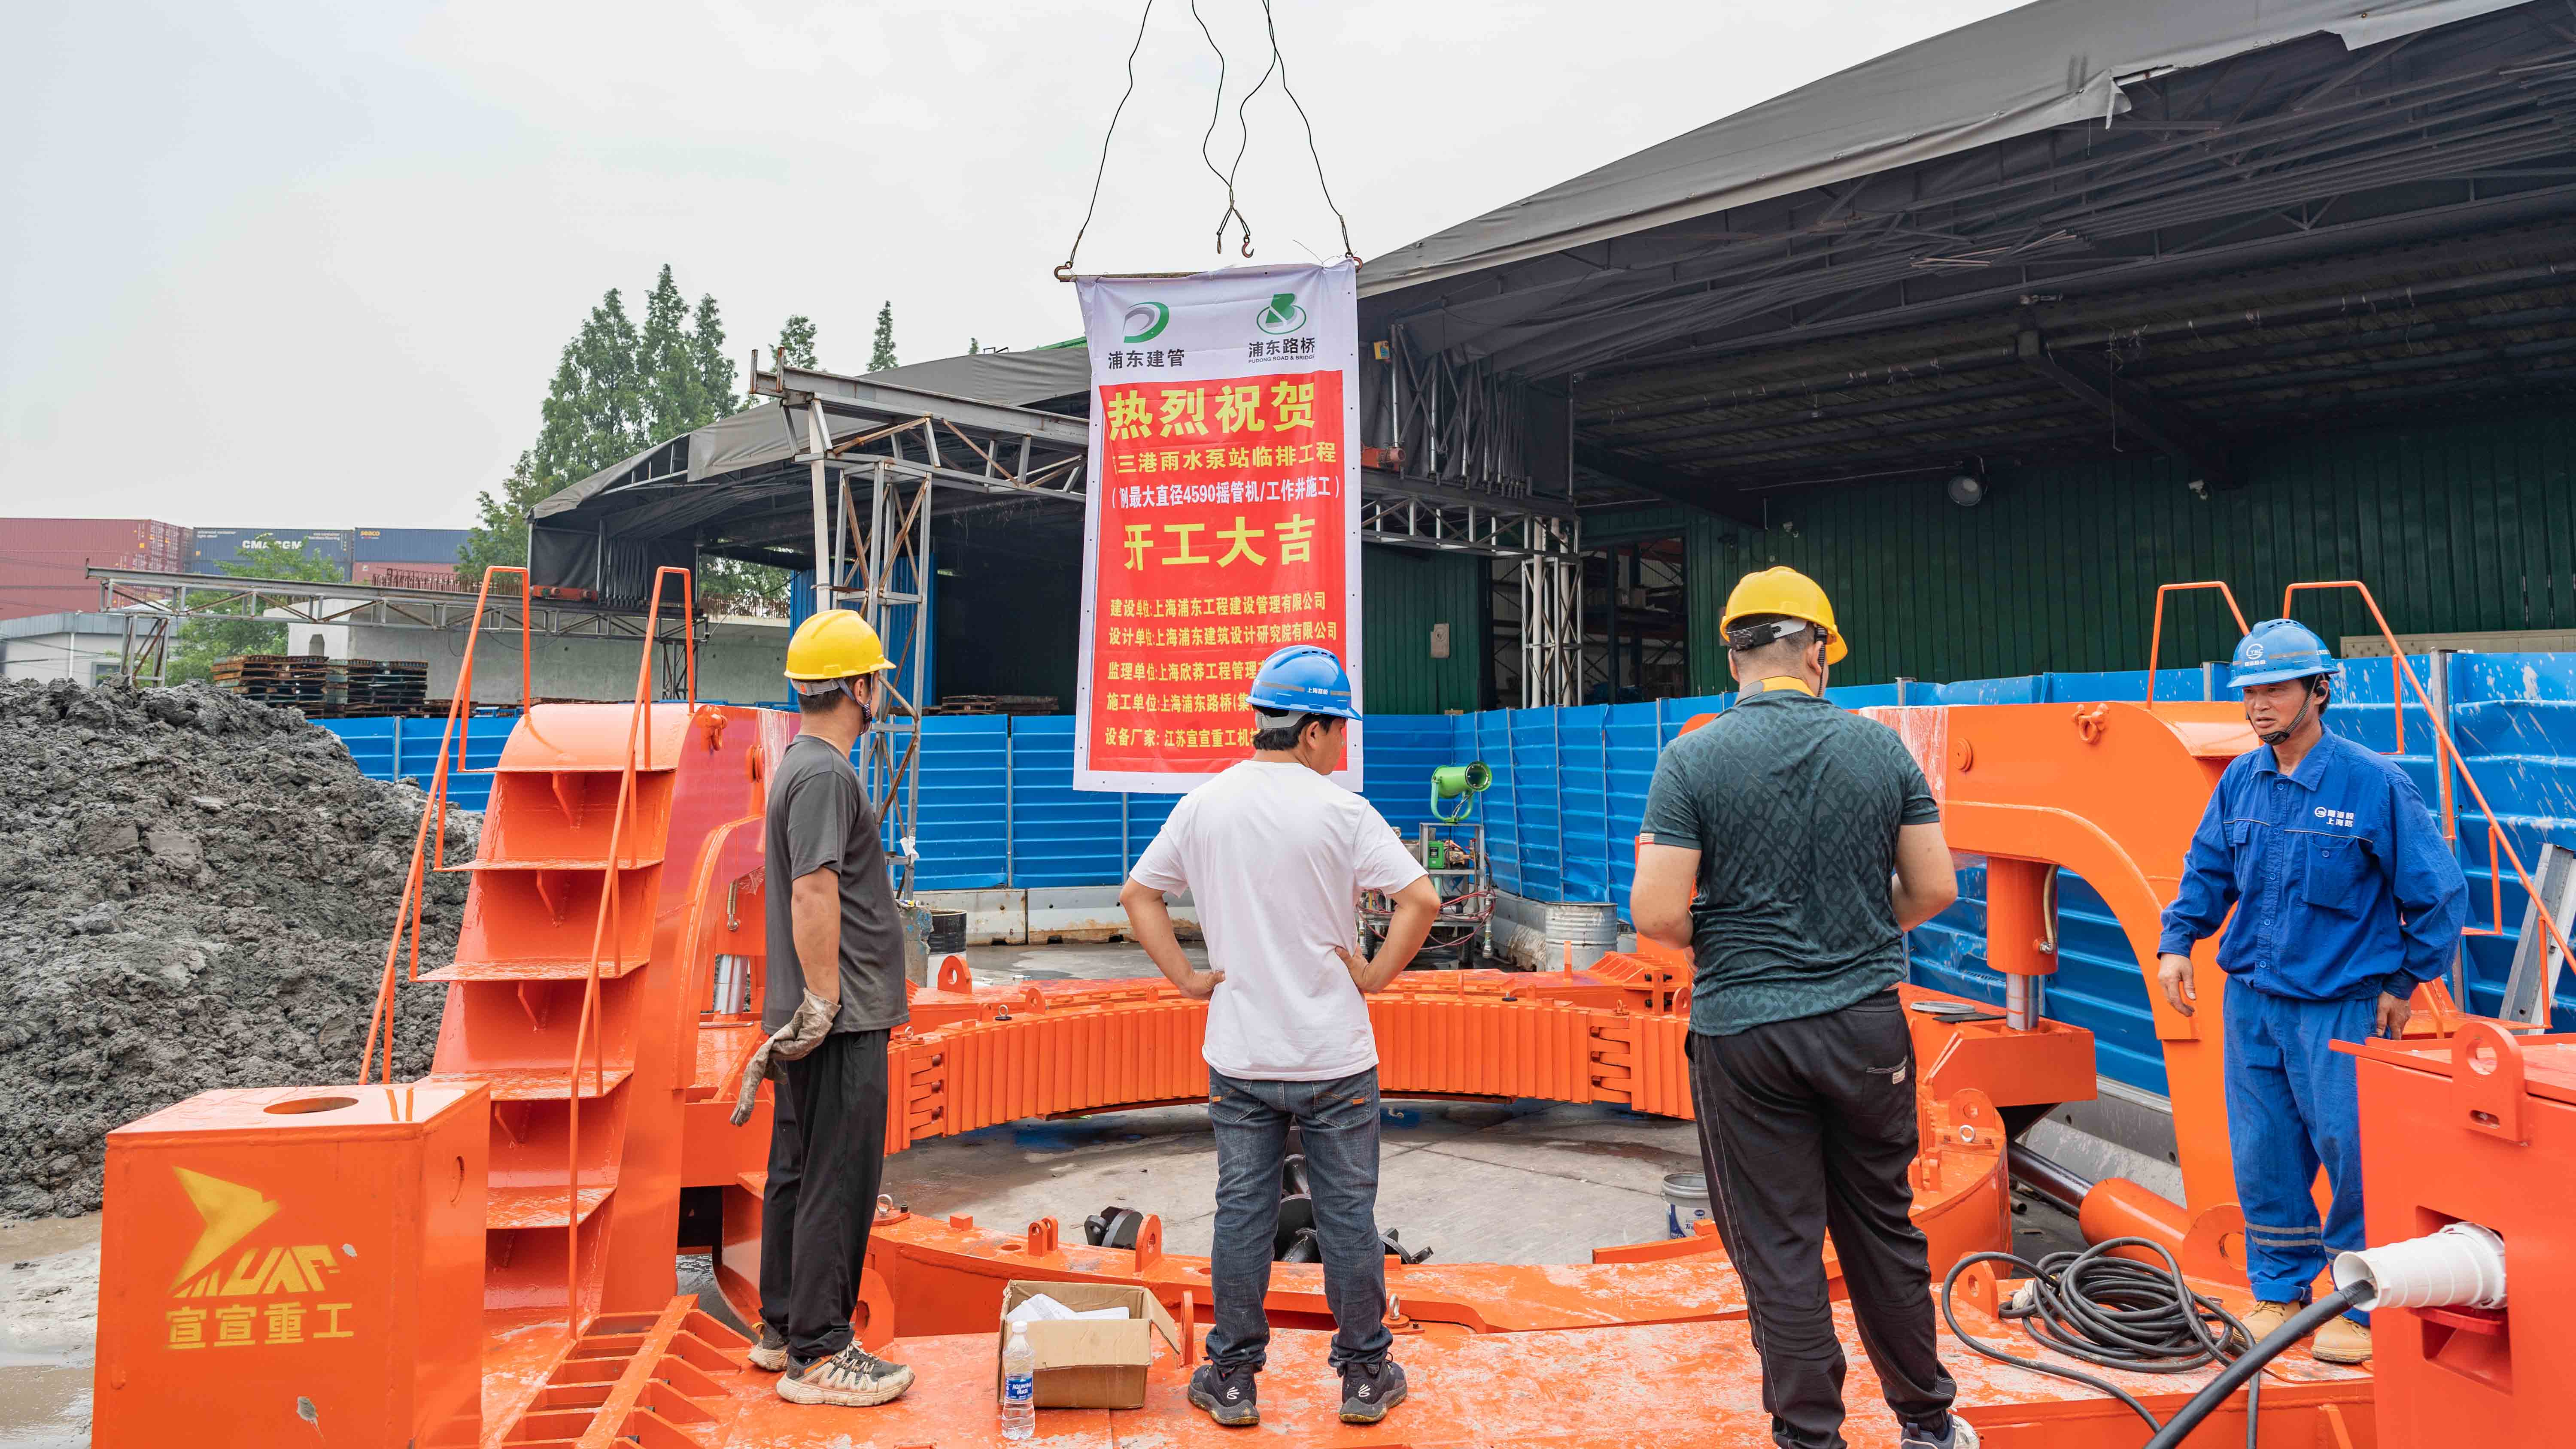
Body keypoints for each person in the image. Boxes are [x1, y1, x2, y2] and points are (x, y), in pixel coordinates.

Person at [1629, 567, 1976, 1449]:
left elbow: (1658, 913)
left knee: (1780, 1244)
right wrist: (1855, 924)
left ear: (1734, 655)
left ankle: (1811, 1436)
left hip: (1746, 1032)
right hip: (1865, 1029)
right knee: (1882, 1228)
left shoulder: (1692, 757)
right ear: (1818, 652)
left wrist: (1729, 941)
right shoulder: (1881, 750)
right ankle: (1928, 1422)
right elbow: (1934, 886)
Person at [1118, 645, 1441, 1429]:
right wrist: (1374, 976)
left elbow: (1139, 895)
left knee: (1242, 1213)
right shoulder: (1342, 812)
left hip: (1241, 1055)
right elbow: (1423, 900)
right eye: (1340, 730)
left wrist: (1189, 980)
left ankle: (1232, 1378)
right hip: (1334, 1056)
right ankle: (1366, 1375)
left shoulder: (1205, 806)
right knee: (1348, 1216)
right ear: (1311, 730)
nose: (1343, 745)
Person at [2157, 618, 2465, 1366]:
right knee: (2264, 1151)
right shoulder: (2242, 779)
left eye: (2275, 690)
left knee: (2353, 1153)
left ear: (2320, 690)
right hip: (2253, 1004)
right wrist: (2176, 943)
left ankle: (2358, 1304)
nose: (2258, 705)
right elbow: (2206, 871)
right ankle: (2280, 1289)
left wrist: (2403, 981)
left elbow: (2439, 895)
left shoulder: (2373, 783)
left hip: (2340, 1007)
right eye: (2249, 692)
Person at [743, 609, 917, 1407]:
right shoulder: (825, 775)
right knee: (838, 1176)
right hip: (839, 1018)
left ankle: (783, 1328)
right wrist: (824, 1000)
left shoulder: (800, 765)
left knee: (798, 1169)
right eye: (875, 678)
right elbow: (814, 890)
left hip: (817, 1014)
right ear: (856, 687)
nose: (880, 689)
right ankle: (821, 1350)